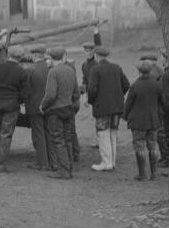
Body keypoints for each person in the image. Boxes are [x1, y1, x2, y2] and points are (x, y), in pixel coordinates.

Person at [40, 47, 80, 180]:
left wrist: (42, 106)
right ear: (62, 57)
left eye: (48, 59)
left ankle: (64, 171)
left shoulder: (53, 72)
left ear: (51, 58)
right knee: (68, 139)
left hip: (55, 111)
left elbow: (50, 95)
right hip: (69, 109)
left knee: (58, 140)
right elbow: (77, 93)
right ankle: (69, 168)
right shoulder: (71, 70)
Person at [88, 46, 130, 171]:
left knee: (102, 133)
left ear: (96, 56)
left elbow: (92, 90)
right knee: (113, 133)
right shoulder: (116, 67)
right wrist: (117, 96)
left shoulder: (95, 69)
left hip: (102, 107)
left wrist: (92, 101)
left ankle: (106, 162)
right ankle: (112, 161)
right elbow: (126, 85)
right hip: (117, 106)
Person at [123, 62, 164, 180]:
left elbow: (128, 104)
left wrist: (125, 116)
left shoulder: (135, 86)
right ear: (150, 71)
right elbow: (163, 102)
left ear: (139, 72)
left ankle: (142, 174)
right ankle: (154, 174)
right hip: (153, 120)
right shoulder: (157, 85)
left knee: (139, 146)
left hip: (138, 122)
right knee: (153, 145)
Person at [24, 45, 53, 171]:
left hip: (34, 107)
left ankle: (42, 163)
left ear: (35, 55)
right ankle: (52, 161)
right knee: (48, 133)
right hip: (48, 106)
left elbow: (26, 90)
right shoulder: (50, 69)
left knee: (38, 135)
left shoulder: (30, 70)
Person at [157, 48, 169, 168]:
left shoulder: (166, 75)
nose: (160, 58)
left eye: (162, 56)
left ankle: (167, 159)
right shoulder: (168, 73)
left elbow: (166, 96)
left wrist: (163, 110)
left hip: (167, 111)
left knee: (166, 134)